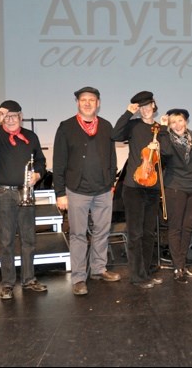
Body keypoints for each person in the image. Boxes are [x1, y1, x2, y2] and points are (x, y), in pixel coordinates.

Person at [0, 100, 48, 300]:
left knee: (29, 239)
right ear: (2, 118)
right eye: (6, 116)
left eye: (14, 116)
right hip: (3, 194)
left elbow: (41, 160)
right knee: (6, 240)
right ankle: (7, 283)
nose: (11, 119)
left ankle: (29, 279)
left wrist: (38, 175)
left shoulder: (31, 136)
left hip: (26, 192)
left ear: (21, 117)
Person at [53, 86, 120, 297]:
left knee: (102, 231)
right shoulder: (66, 127)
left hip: (102, 190)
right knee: (78, 235)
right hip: (76, 190)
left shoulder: (107, 126)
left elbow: (112, 158)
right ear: (78, 103)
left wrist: (110, 183)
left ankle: (99, 269)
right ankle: (79, 278)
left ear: (98, 103)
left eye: (92, 99)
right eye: (83, 100)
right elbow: (58, 162)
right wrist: (60, 193)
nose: (88, 103)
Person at [111, 91, 164, 289]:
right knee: (135, 234)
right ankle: (136, 276)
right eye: (141, 107)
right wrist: (127, 113)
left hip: (152, 187)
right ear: (137, 109)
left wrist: (160, 146)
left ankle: (147, 271)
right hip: (133, 187)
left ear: (154, 105)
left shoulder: (161, 128)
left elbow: (167, 154)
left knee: (149, 232)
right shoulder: (133, 126)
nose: (146, 109)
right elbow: (115, 135)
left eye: (148, 105)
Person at [158, 108, 192, 284]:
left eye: (180, 121)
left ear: (186, 122)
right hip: (175, 187)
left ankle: (182, 264)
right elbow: (166, 153)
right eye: (172, 122)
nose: (177, 125)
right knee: (175, 228)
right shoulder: (166, 138)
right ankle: (177, 267)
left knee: (188, 228)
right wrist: (162, 128)